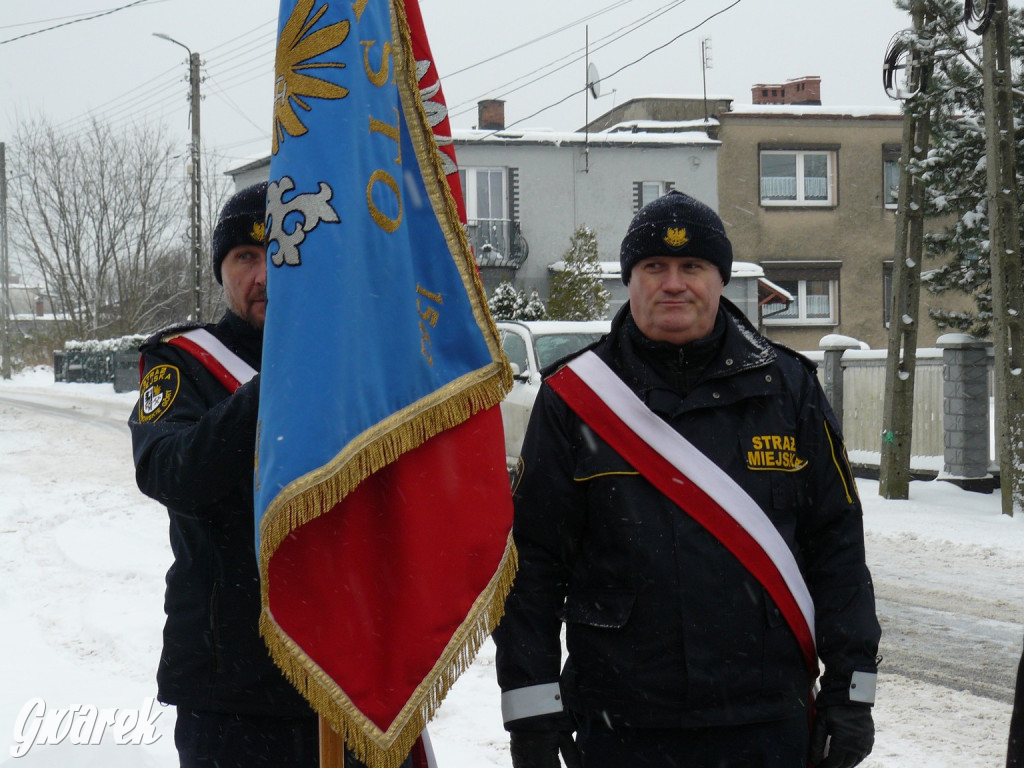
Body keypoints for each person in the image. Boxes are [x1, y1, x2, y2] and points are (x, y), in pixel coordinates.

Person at [492, 190, 881, 768]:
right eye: (654, 267)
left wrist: (851, 696)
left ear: (719, 279)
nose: (673, 284)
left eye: (692, 267)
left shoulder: (789, 389)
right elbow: (534, 563)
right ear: (630, 280)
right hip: (621, 718)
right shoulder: (574, 399)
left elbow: (837, 546)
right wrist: (531, 714)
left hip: (765, 718)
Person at [129, 182, 320, 767]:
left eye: (279, 254)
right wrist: (277, 383)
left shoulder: (344, 364)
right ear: (222, 271)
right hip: (229, 686)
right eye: (245, 257)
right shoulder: (182, 362)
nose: (263, 274)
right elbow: (171, 472)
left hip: (343, 676)